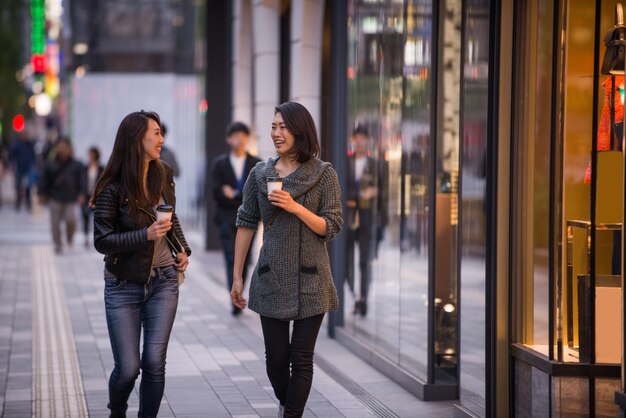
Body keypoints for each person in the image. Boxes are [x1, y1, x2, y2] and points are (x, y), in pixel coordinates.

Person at [231, 102, 342, 418]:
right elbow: (246, 223)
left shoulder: (324, 174)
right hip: (271, 276)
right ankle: (287, 402)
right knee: (276, 361)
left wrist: (295, 207)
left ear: (300, 130)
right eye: (273, 126)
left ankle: (292, 413)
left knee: (301, 358)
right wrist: (238, 276)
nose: (276, 133)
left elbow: (331, 225)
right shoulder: (260, 173)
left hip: (312, 279)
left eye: (283, 127)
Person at [91, 111, 191, 418]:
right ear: (138, 139)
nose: (162, 139)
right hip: (123, 284)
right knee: (128, 368)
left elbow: (169, 217)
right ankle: (117, 409)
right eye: (157, 133)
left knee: (153, 362)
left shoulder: (164, 172)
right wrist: (144, 235)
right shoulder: (113, 186)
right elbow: (102, 240)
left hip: (164, 280)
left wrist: (183, 249)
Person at [211, 122, 261, 315]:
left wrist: (233, 194)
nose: (239, 139)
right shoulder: (220, 163)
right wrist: (230, 195)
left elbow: (258, 194)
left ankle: (238, 289)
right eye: (235, 135)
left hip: (249, 220)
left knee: (245, 257)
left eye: (243, 135)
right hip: (226, 218)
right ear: (228, 139)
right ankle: (234, 295)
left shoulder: (256, 163)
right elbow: (216, 192)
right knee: (231, 258)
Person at [345, 126, 378, 317]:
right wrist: (358, 195)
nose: (359, 141)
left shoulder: (375, 164)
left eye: (362, 138)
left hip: (367, 219)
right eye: (356, 138)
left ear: (367, 140)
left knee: (365, 260)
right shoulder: (345, 161)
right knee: (347, 259)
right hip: (348, 218)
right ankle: (354, 295)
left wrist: (374, 192)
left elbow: (381, 190)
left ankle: (363, 298)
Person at [38, 138, 85, 254]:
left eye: (65, 146)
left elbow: (82, 180)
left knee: (71, 220)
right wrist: (42, 193)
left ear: (69, 148)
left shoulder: (76, 164)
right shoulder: (50, 164)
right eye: (60, 146)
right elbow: (44, 180)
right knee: (55, 223)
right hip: (54, 197)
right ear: (56, 148)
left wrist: (81, 193)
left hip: (70, 198)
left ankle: (69, 238)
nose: (62, 149)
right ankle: (58, 243)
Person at [81, 146, 104, 247]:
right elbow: (81, 182)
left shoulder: (101, 168)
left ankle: (97, 236)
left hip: (97, 197)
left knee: (97, 217)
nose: (90, 156)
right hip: (86, 196)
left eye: (92, 154)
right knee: (85, 216)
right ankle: (86, 237)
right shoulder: (85, 168)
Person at [10, 128, 36, 211]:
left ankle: (28, 203)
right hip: (19, 167)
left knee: (28, 186)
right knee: (18, 186)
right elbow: (12, 155)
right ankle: (18, 202)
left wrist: (33, 164)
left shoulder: (30, 144)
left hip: (28, 167)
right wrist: (13, 164)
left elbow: (33, 155)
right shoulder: (17, 144)